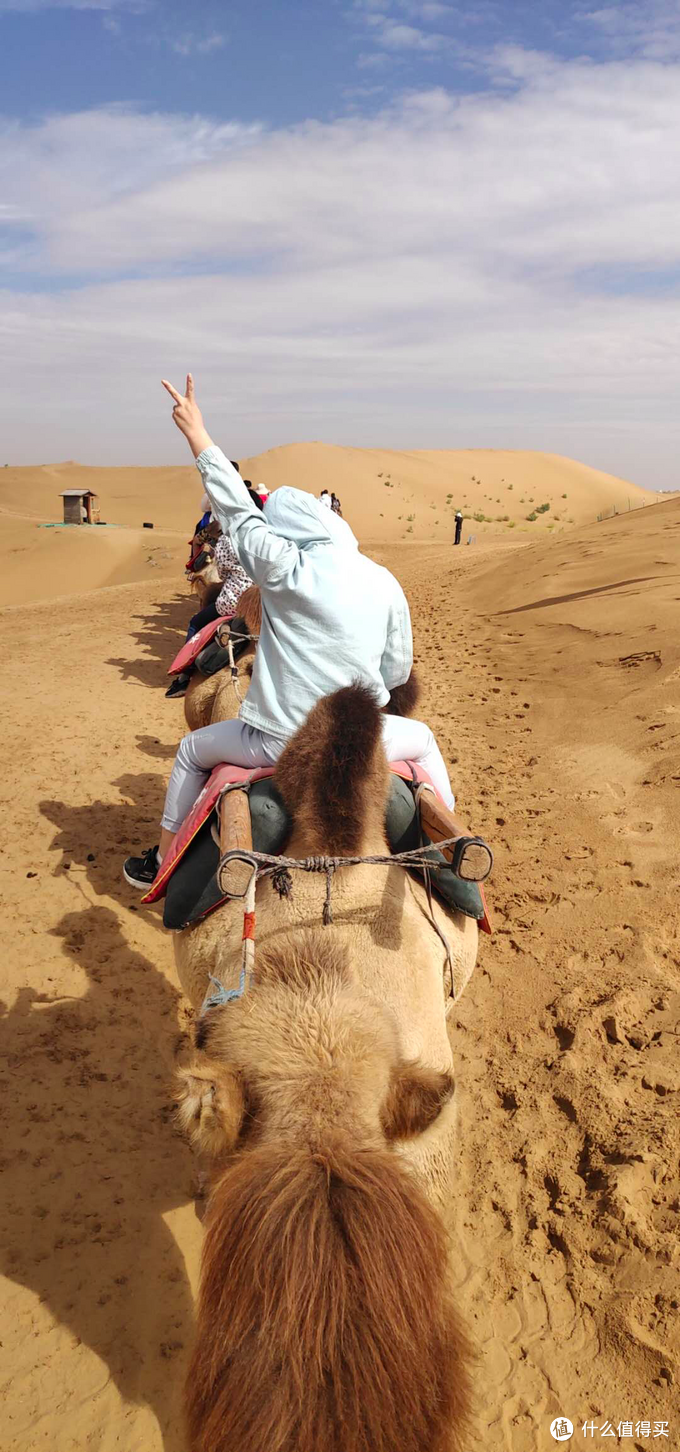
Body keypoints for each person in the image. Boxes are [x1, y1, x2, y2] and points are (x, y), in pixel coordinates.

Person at [123, 374, 458, 888]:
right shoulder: (384, 578)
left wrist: (198, 436)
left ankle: (161, 861)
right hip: (363, 738)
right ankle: (444, 851)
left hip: (280, 741)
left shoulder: (283, 565)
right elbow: (394, 672)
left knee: (191, 751)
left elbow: (235, 510)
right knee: (426, 741)